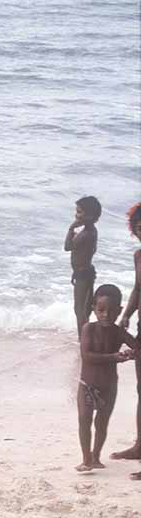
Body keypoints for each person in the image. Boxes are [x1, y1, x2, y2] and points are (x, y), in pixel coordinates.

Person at [76, 284, 137, 473]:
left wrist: (131, 353)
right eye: (101, 310)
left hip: (108, 387)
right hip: (87, 385)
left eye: (111, 311)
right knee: (84, 421)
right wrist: (114, 357)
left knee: (101, 424)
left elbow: (136, 346)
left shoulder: (118, 332)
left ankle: (96, 456)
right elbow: (87, 356)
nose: (105, 315)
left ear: (119, 311)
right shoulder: (88, 329)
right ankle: (86, 458)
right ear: (94, 308)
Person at [111, 203, 141, 477]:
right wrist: (126, 316)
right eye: (138, 225)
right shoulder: (139, 255)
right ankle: (139, 446)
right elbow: (137, 289)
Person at [65, 196, 101, 337]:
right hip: (85, 273)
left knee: (80, 310)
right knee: (84, 310)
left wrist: (71, 228)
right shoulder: (90, 231)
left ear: (90, 216)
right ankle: (86, 338)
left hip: (83, 275)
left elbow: (67, 247)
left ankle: (83, 341)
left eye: (79, 212)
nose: (76, 215)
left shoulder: (86, 233)